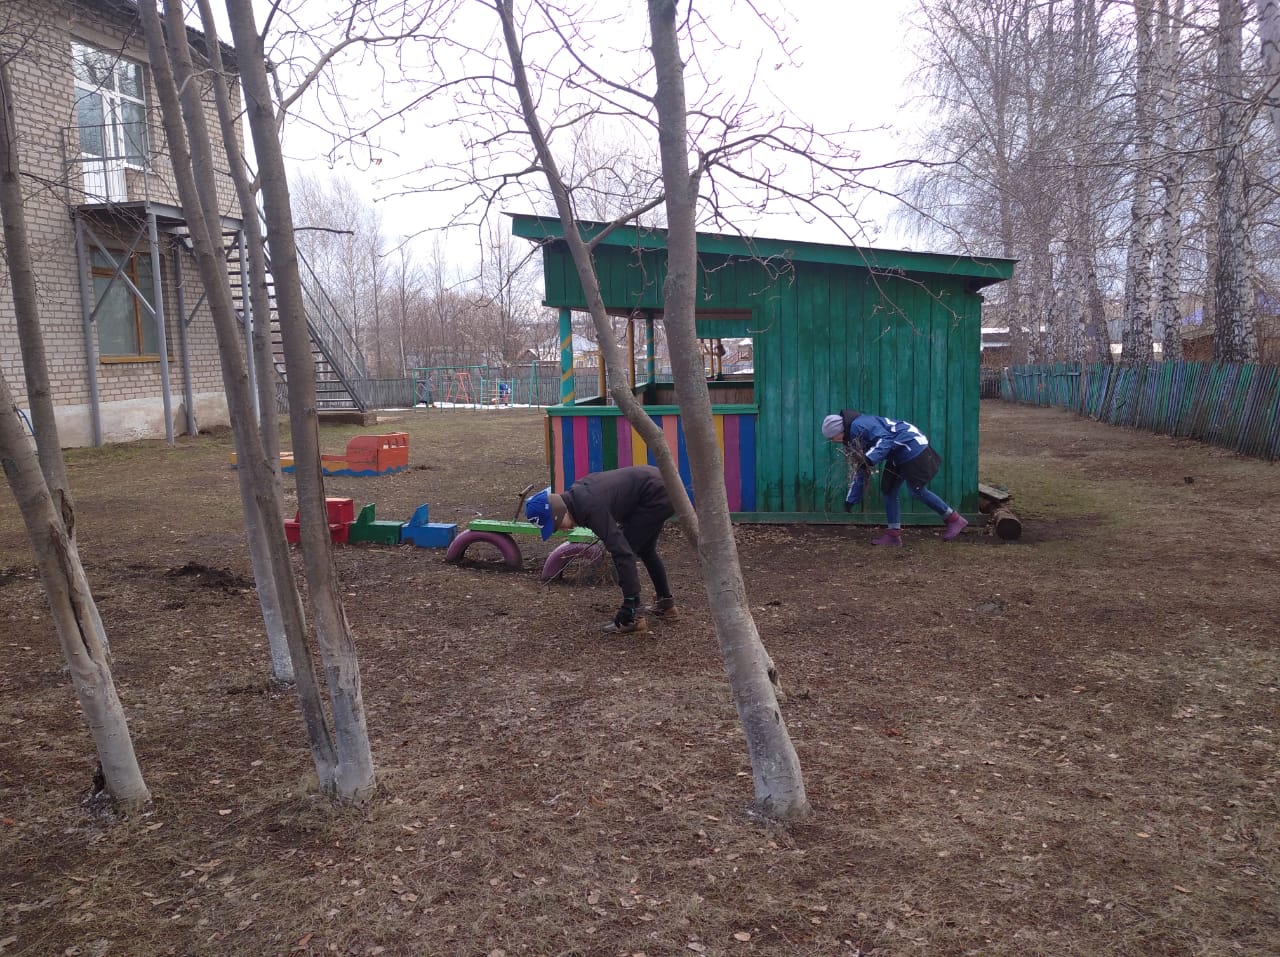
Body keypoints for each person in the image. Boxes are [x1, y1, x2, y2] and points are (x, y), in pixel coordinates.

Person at [525, 465, 678, 633]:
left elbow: (622, 552)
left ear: (558, 512)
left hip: (656, 493)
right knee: (645, 549)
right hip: (658, 486)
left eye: (555, 525)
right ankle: (666, 604)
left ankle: (632, 615)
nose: (559, 530)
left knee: (626, 549)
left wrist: (628, 602)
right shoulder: (578, 498)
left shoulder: (589, 508)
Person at [821, 410, 968, 546]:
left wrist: (869, 458)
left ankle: (954, 519)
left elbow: (885, 439)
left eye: (832, 437)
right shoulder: (852, 438)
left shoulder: (859, 425)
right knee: (889, 489)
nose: (833, 441)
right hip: (897, 453)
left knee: (917, 490)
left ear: (839, 431)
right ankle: (893, 535)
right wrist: (852, 498)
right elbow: (862, 466)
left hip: (912, 447)